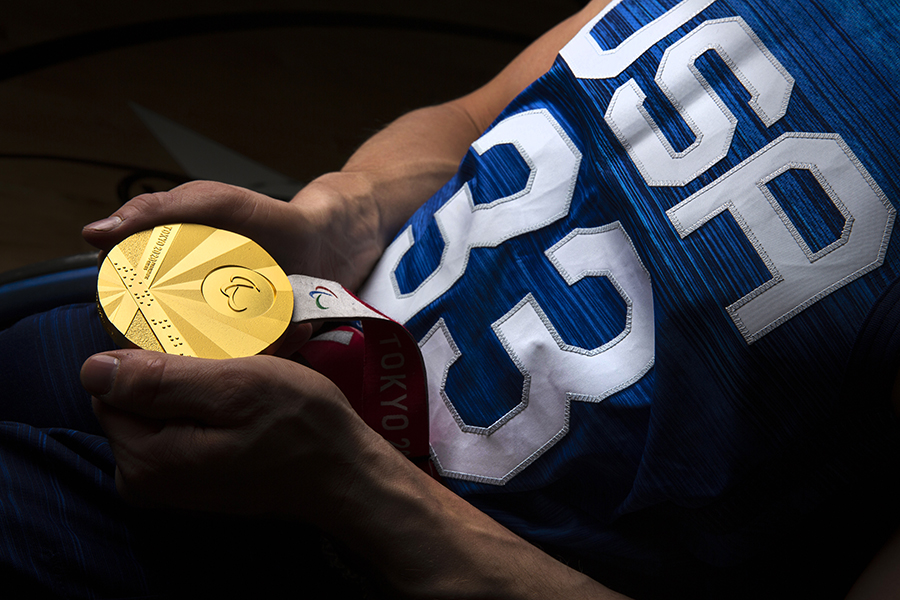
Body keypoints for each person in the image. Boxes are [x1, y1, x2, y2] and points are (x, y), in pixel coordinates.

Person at [3, 0, 900, 597]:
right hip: (291, 354)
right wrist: (339, 215)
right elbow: (474, 117)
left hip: (375, 551)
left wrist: (360, 491)